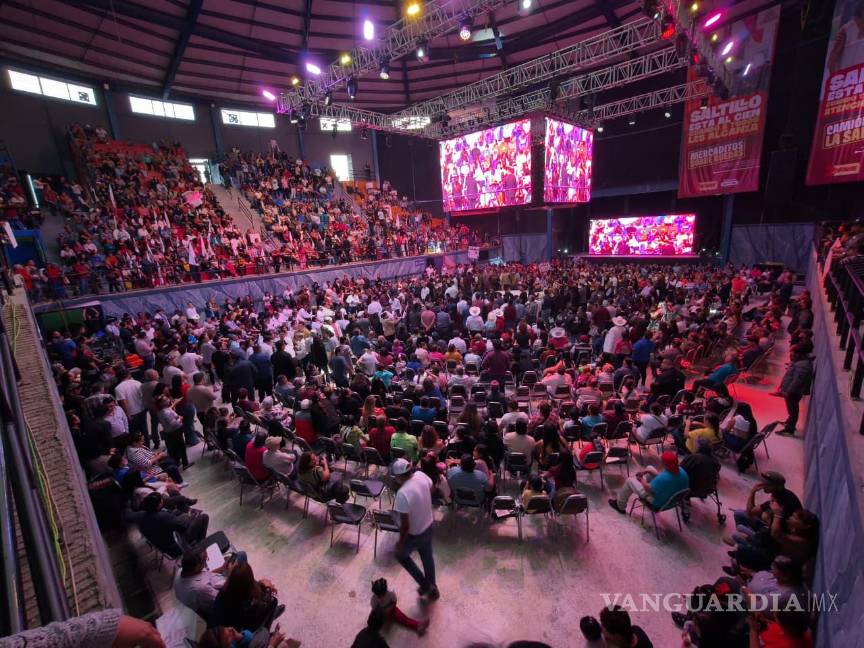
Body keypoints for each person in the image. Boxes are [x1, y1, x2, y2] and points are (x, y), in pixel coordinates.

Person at [391, 458, 439, 600]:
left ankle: (425, 585)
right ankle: (433, 588)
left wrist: (400, 542)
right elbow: (433, 488)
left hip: (414, 534)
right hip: (428, 525)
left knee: (401, 556)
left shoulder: (402, 494)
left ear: (399, 476)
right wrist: (423, 501)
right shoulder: (420, 475)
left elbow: (405, 526)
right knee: (427, 558)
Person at [212, 557, 282, 633]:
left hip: (227, 624)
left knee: (263, 595)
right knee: (273, 601)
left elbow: (246, 586)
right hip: (238, 630)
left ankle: (271, 614)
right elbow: (257, 606)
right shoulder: (245, 603)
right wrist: (268, 589)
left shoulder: (227, 589)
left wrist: (261, 584)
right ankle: (265, 629)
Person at [608, 451, 689, 515]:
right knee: (650, 468)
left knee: (630, 481)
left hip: (656, 501)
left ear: (665, 464)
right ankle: (644, 476)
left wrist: (640, 480)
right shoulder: (682, 472)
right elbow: (664, 478)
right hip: (670, 497)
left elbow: (647, 488)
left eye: (662, 461)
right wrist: (646, 471)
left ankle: (620, 506)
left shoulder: (663, 479)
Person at [175, 550, 226, 622]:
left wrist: (222, 568)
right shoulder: (200, 588)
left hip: (210, 591)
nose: (206, 563)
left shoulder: (181, 571)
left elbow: (205, 575)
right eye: (205, 560)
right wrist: (232, 575)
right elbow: (222, 600)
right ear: (197, 566)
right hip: (217, 607)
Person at [776, 349, 813, 436]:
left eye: (792, 354)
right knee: (792, 410)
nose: (790, 356)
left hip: (794, 392)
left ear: (798, 355)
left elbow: (796, 381)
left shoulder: (802, 366)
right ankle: (789, 423)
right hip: (792, 391)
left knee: (793, 411)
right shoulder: (799, 363)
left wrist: (788, 391)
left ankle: (789, 430)